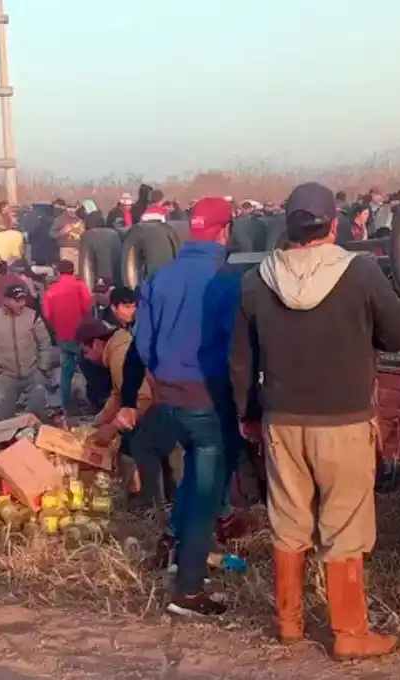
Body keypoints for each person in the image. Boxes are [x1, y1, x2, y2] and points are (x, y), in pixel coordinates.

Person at [229, 182, 400, 659]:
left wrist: (249, 415)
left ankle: (288, 623)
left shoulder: (255, 280)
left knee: (288, 522)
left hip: (281, 419)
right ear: (334, 224)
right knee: (345, 525)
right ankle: (350, 635)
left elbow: (241, 361)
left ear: (287, 226)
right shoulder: (361, 272)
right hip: (344, 420)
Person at [117, 196, 243, 617]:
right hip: (209, 401)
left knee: (190, 477)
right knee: (207, 493)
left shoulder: (159, 280)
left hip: (168, 400)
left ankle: (170, 544)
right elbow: (239, 353)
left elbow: (144, 347)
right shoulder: (229, 281)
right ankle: (187, 591)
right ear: (225, 231)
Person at [76, 318, 180, 505]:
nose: (88, 358)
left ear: (98, 344)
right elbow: (119, 395)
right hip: (165, 400)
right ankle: (167, 497)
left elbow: (143, 398)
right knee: (144, 443)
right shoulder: (116, 351)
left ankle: (153, 502)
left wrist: (114, 426)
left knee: (142, 442)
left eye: (86, 351)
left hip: (167, 403)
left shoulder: (120, 355)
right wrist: (97, 423)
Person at [0, 284, 54, 420]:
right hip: (6, 375)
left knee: (38, 413)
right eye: (17, 300)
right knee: (5, 416)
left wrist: (42, 368)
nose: (21, 303)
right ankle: (8, 441)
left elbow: (45, 343)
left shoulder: (32, 316)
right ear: (6, 300)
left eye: (23, 299)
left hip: (33, 373)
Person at [42, 259, 93, 415]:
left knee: (66, 372)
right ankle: (91, 402)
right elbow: (88, 308)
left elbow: (47, 315)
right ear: (73, 270)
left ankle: (66, 406)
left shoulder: (51, 290)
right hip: (81, 337)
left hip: (63, 337)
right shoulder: (80, 286)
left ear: (58, 272)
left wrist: (58, 327)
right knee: (89, 371)